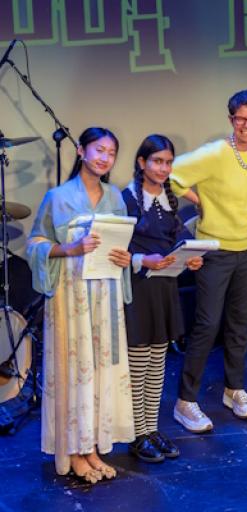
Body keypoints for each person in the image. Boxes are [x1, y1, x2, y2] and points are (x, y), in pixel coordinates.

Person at [27, 127, 134, 482]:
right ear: (81, 150)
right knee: (75, 372)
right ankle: (73, 450)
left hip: (105, 296)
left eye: (111, 153)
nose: (105, 158)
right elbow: (35, 243)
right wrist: (69, 249)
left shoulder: (115, 196)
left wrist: (123, 256)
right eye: (99, 150)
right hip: (71, 298)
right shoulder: (57, 197)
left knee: (99, 371)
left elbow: (122, 243)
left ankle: (91, 447)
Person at [170, 89, 247, 432]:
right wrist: (200, 201)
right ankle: (186, 401)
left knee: (239, 323)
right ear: (231, 120)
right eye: (240, 118)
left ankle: (234, 389)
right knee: (208, 324)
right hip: (216, 250)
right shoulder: (214, 153)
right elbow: (171, 175)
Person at [123, 135, 203, 462]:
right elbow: (116, 249)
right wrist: (145, 260)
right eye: (157, 161)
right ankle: (136, 433)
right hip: (139, 290)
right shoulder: (126, 199)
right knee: (138, 364)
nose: (163, 167)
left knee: (158, 363)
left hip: (164, 289)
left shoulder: (170, 201)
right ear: (142, 163)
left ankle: (151, 427)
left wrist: (192, 257)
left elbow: (178, 239)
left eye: (168, 162)